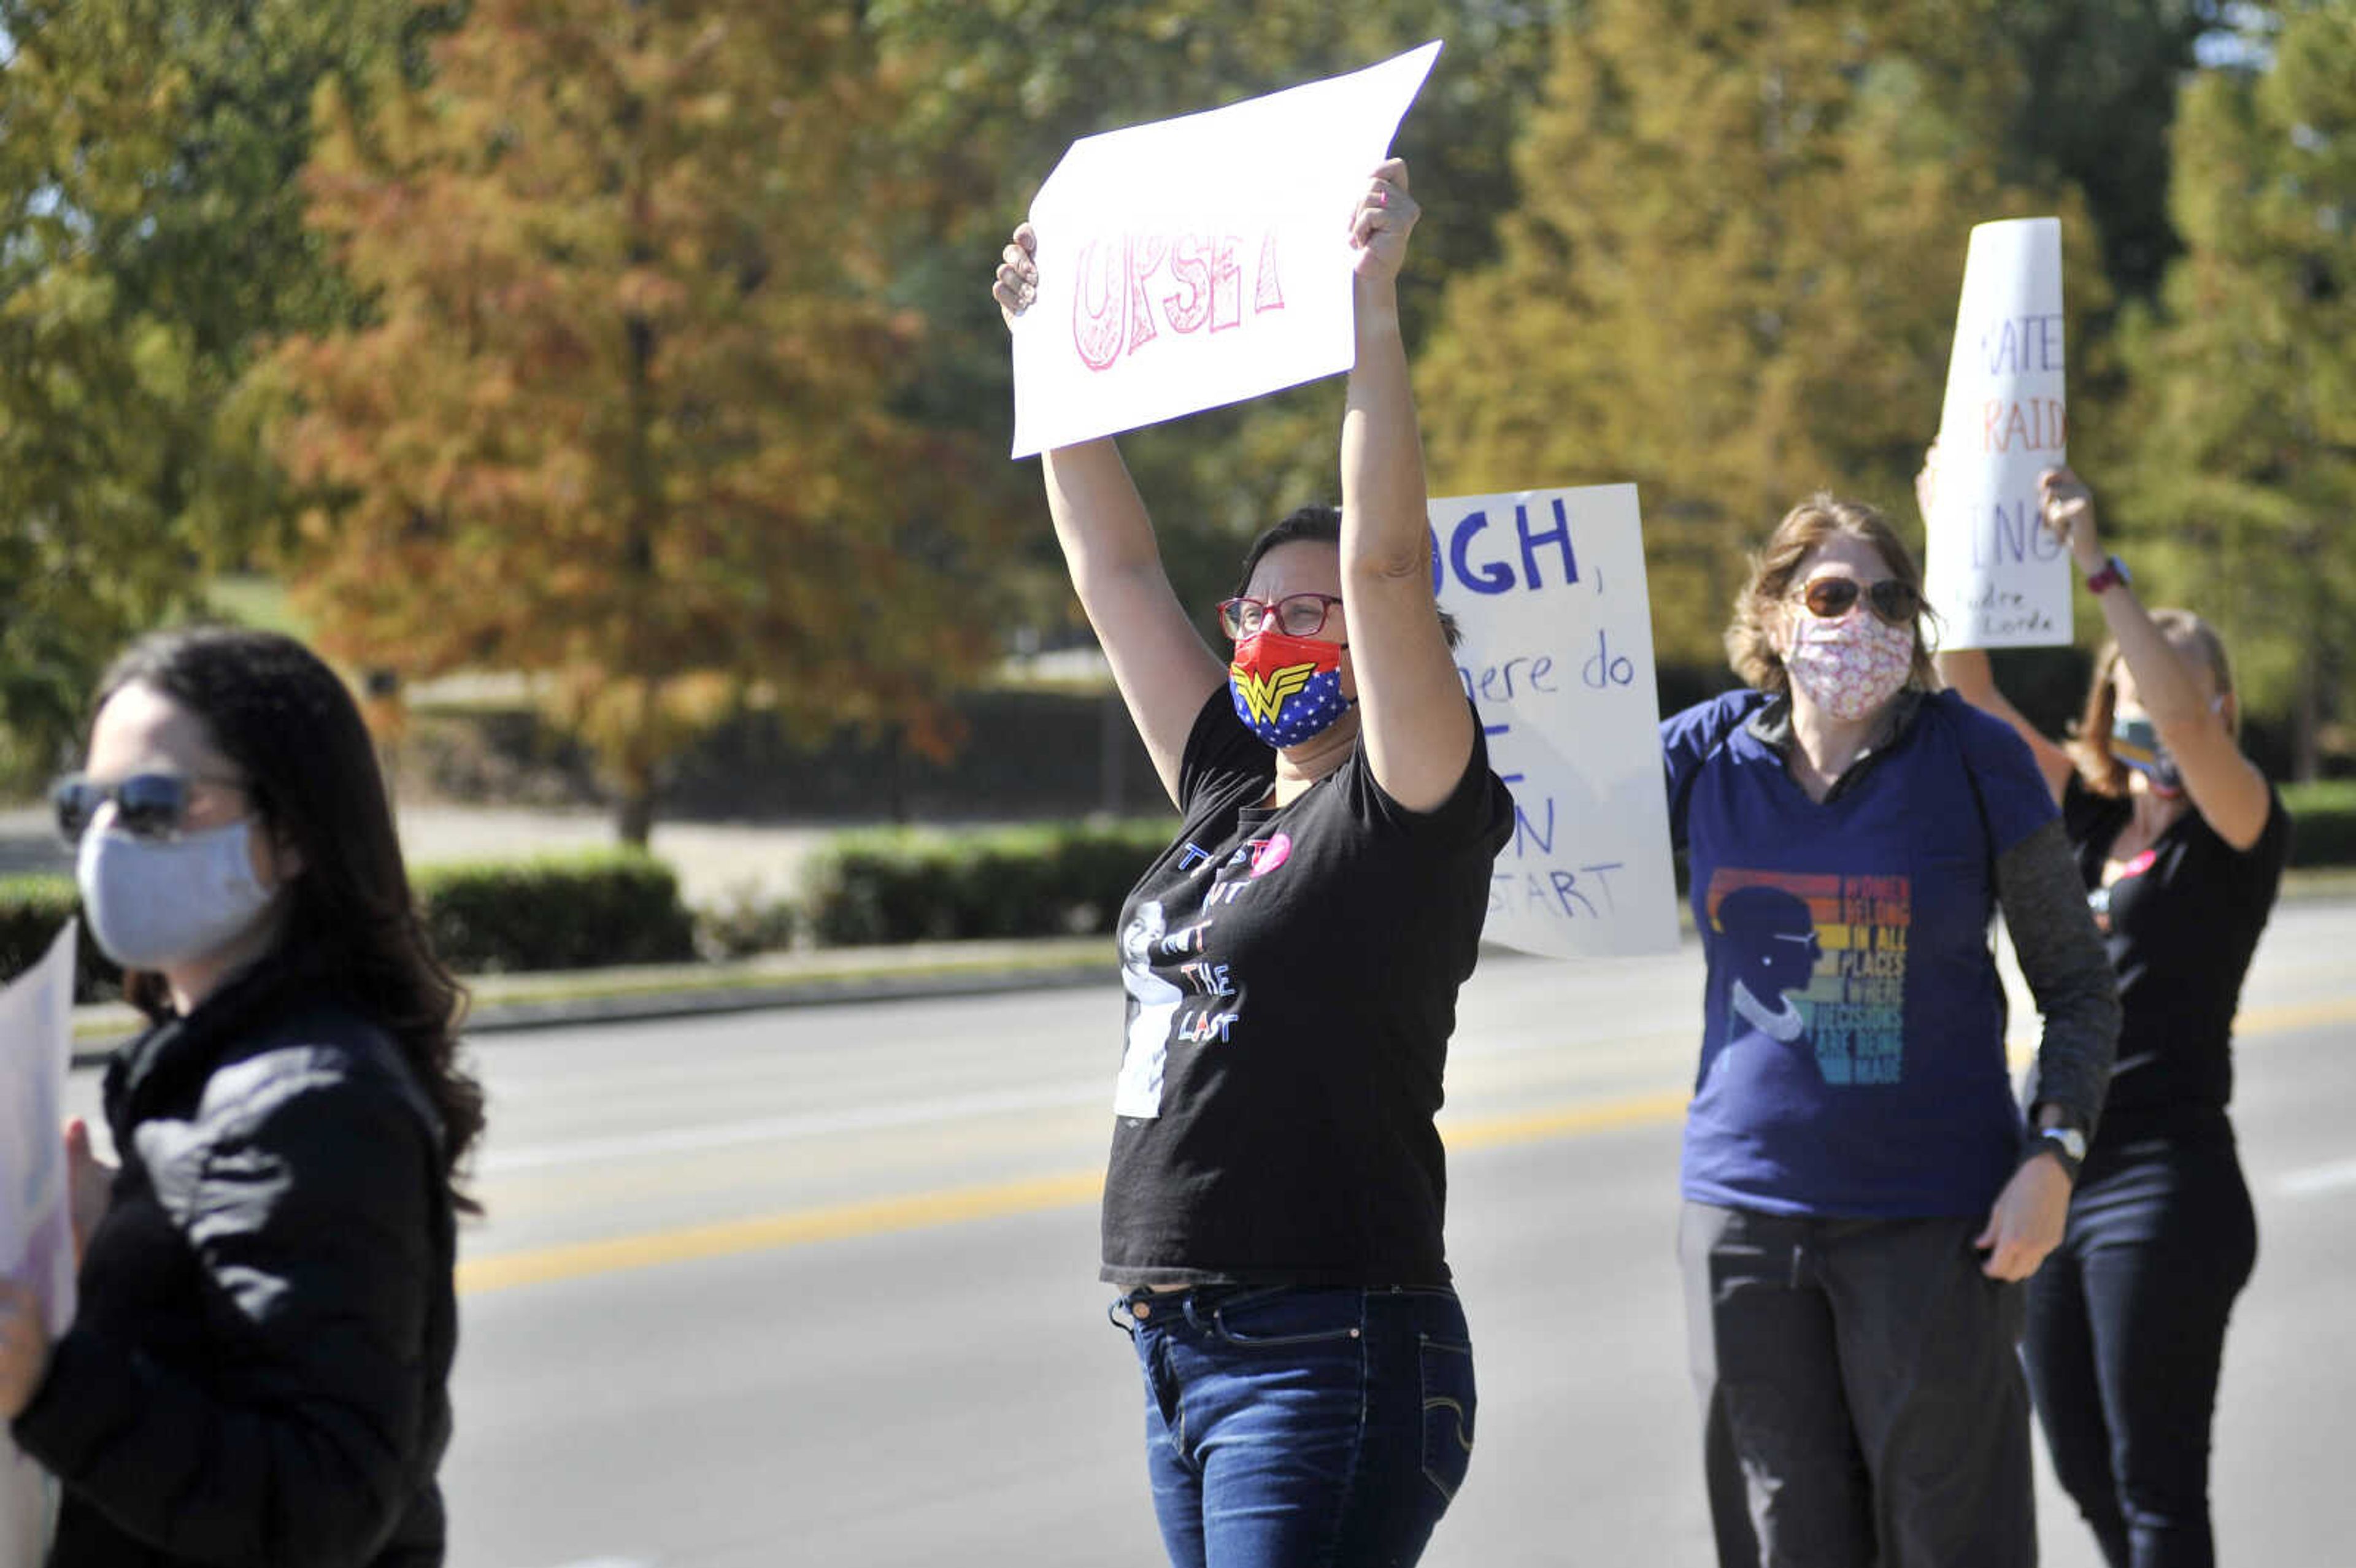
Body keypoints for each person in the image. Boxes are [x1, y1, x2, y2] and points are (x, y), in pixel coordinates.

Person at [993, 159, 1512, 1566]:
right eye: (1260, 607)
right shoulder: (1229, 785)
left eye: (1312, 611)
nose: (1276, 631)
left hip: (1328, 1347)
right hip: (1184, 1352)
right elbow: (1113, 570)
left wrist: (1372, 315)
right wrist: (1048, 349)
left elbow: (1394, 564)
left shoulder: (1405, 806)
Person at [1660, 493, 2120, 1567]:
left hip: (1936, 1227)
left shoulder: (1975, 758)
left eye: (1889, 598)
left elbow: (2078, 984)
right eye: (1830, 595)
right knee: (1784, 1540)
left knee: (1949, 1540)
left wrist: (2056, 1155)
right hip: (1743, 1225)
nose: (1861, 620)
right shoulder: (1703, 754)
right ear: (1775, 615)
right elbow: (1521, 825)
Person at [0, 627, 481, 1568]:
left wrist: (49, 1384)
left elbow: (325, 1501)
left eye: (151, 805)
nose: (105, 842)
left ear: (292, 832)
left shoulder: (318, 1101)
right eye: (85, 807)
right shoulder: (216, 1070)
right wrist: (108, 1241)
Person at [1933, 461, 2288, 1568]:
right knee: (2088, 1481)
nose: (2162, 733)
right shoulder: (2086, 816)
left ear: (2216, 715)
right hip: (2057, 1176)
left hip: (2168, 1186)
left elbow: (2180, 720)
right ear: (2108, 711)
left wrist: (2096, 561)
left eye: (2184, 710)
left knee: (2156, 1490)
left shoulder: (2234, 826)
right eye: (2134, 709)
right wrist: (1957, 539)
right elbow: (1968, 694)